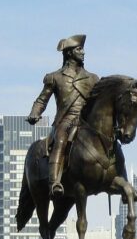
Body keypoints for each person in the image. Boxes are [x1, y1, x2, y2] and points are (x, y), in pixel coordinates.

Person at [26, 34, 99, 198]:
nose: (83, 52)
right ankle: (54, 182)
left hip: (86, 123)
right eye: (79, 49)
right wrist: (34, 113)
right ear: (69, 53)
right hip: (66, 120)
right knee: (60, 140)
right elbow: (41, 100)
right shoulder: (55, 77)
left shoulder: (93, 78)